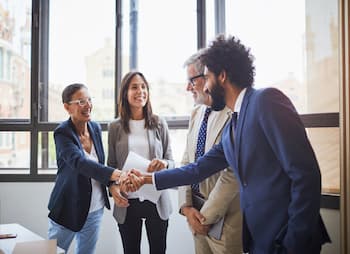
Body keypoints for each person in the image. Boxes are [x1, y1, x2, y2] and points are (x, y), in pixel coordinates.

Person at [131, 35, 331, 254]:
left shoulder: (266, 101)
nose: (205, 87)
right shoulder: (232, 127)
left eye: (206, 78)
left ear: (222, 76)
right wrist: (146, 179)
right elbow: (196, 169)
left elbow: (306, 175)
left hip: (287, 240)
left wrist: (294, 243)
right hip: (261, 242)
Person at [47, 83, 136, 254]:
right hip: (68, 208)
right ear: (67, 107)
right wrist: (119, 175)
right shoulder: (62, 133)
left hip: (95, 209)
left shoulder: (94, 128)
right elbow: (80, 163)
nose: (88, 105)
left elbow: (98, 167)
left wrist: (112, 186)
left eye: (89, 100)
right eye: (81, 101)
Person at [178, 51, 242, 253]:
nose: (188, 88)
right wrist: (186, 207)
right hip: (195, 213)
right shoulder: (196, 113)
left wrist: (205, 216)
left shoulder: (234, 114)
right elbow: (187, 161)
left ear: (208, 77)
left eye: (191, 81)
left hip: (225, 220)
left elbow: (232, 175)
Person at [107, 71, 174, 254]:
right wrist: (114, 188)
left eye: (143, 87)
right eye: (134, 87)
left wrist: (164, 163)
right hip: (127, 201)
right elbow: (110, 166)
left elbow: (172, 162)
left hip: (156, 200)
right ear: (125, 93)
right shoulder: (115, 127)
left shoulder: (159, 123)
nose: (140, 91)